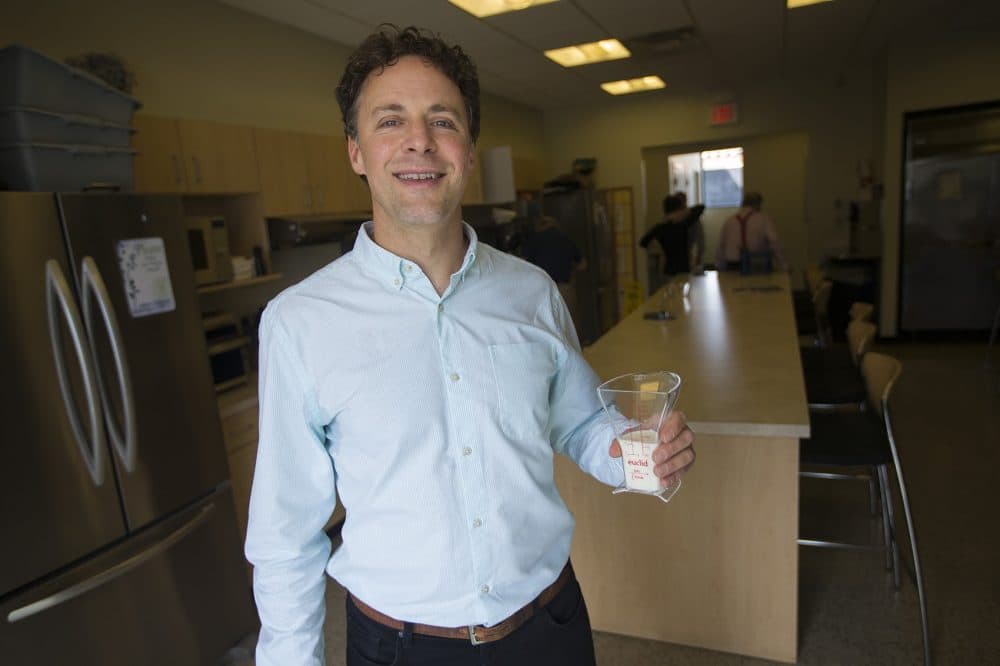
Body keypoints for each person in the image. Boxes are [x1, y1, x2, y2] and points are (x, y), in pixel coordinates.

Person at [245, 25, 695, 666]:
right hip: (399, 647)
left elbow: (579, 423)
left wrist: (632, 455)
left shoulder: (532, 292)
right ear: (356, 151)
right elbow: (286, 532)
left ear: (470, 150)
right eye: (391, 120)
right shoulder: (299, 322)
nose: (419, 142)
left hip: (550, 628)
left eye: (443, 120)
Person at [520, 214, 585, 322]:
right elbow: (583, 265)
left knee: (548, 327)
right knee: (569, 327)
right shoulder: (565, 238)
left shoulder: (535, 240)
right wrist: (569, 267)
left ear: (539, 226)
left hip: (542, 292)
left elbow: (522, 264)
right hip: (565, 290)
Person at [715, 191, 788, 272]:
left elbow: (721, 245)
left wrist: (719, 267)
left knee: (734, 284)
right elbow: (774, 242)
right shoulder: (763, 219)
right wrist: (783, 265)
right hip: (756, 263)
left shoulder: (729, 221)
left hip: (733, 264)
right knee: (756, 284)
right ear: (758, 204)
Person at [639, 193, 705, 275]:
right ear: (678, 211)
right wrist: (683, 212)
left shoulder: (660, 227)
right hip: (684, 269)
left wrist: (657, 248)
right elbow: (700, 208)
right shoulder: (682, 225)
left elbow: (643, 242)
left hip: (668, 269)